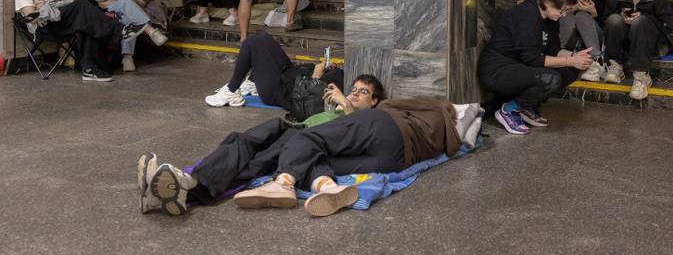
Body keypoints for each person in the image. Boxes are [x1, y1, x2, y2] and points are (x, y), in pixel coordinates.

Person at [138, 83, 462, 218]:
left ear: (376, 101)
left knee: (265, 142)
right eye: (354, 89)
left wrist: (350, 107)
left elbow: (425, 106)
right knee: (262, 159)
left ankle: (283, 184)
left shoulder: (376, 114)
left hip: (313, 135)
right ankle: (185, 193)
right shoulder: (341, 116)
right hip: (391, 158)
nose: (355, 93)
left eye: (363, 92)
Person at [478, 0, 593, 135]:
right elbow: (532, 59)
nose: (564, 15)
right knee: (551, 78)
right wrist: (570, 60)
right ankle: (510, 110)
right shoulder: (527, 16)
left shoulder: (551, 18)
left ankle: (526, 106)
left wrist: (575, 57)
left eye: (566, 10)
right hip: (498, 71)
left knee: (570, 70)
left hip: (521, 67)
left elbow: (553, 50)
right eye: (562, 10)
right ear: (547, 2)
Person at [15, 0, 136, 82]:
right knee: (82, 6)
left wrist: (62, 1)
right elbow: (31, 16)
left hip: (64, 22)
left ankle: (89, 70)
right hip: (45, 26)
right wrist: (50, 3)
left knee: (85, 22)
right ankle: (120, 29)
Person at [204, 32, 343, 109]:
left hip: (280, 91)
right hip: (290, 75)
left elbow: (307, 99)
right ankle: (253, 81)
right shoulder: (343, 79)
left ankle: (232, 91)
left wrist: (316, 75)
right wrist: (323, 69)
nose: (355, 92)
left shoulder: (337, 96)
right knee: (264, 37)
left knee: (251, 43)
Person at [602, 0, 673, 100]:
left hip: (650, 46)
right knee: (614, 19)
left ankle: (641, 76)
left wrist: (645, 18)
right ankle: (616, 66)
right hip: (627, 46)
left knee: (640, 21)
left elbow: (668, 25)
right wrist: (621, 18)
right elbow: (605, 20)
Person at [559, 0, 607, 82]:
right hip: (569, 30)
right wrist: (574, 7)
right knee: (568, 16)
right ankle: (561, 54)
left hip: (593, 33)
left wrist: (592, 11)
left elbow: (602, 19)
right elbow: (558, 13)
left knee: (582, 15)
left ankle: (597, 61)